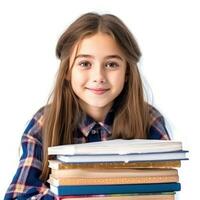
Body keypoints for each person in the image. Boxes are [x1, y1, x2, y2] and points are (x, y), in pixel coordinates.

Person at [4, 12, 170, 199]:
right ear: (67, 71)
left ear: (127, 73)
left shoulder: (149, 120)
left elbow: (163, 191)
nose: (98, 76)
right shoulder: (44, 123)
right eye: (85, 63)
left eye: (111, 64)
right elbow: (20, 195)